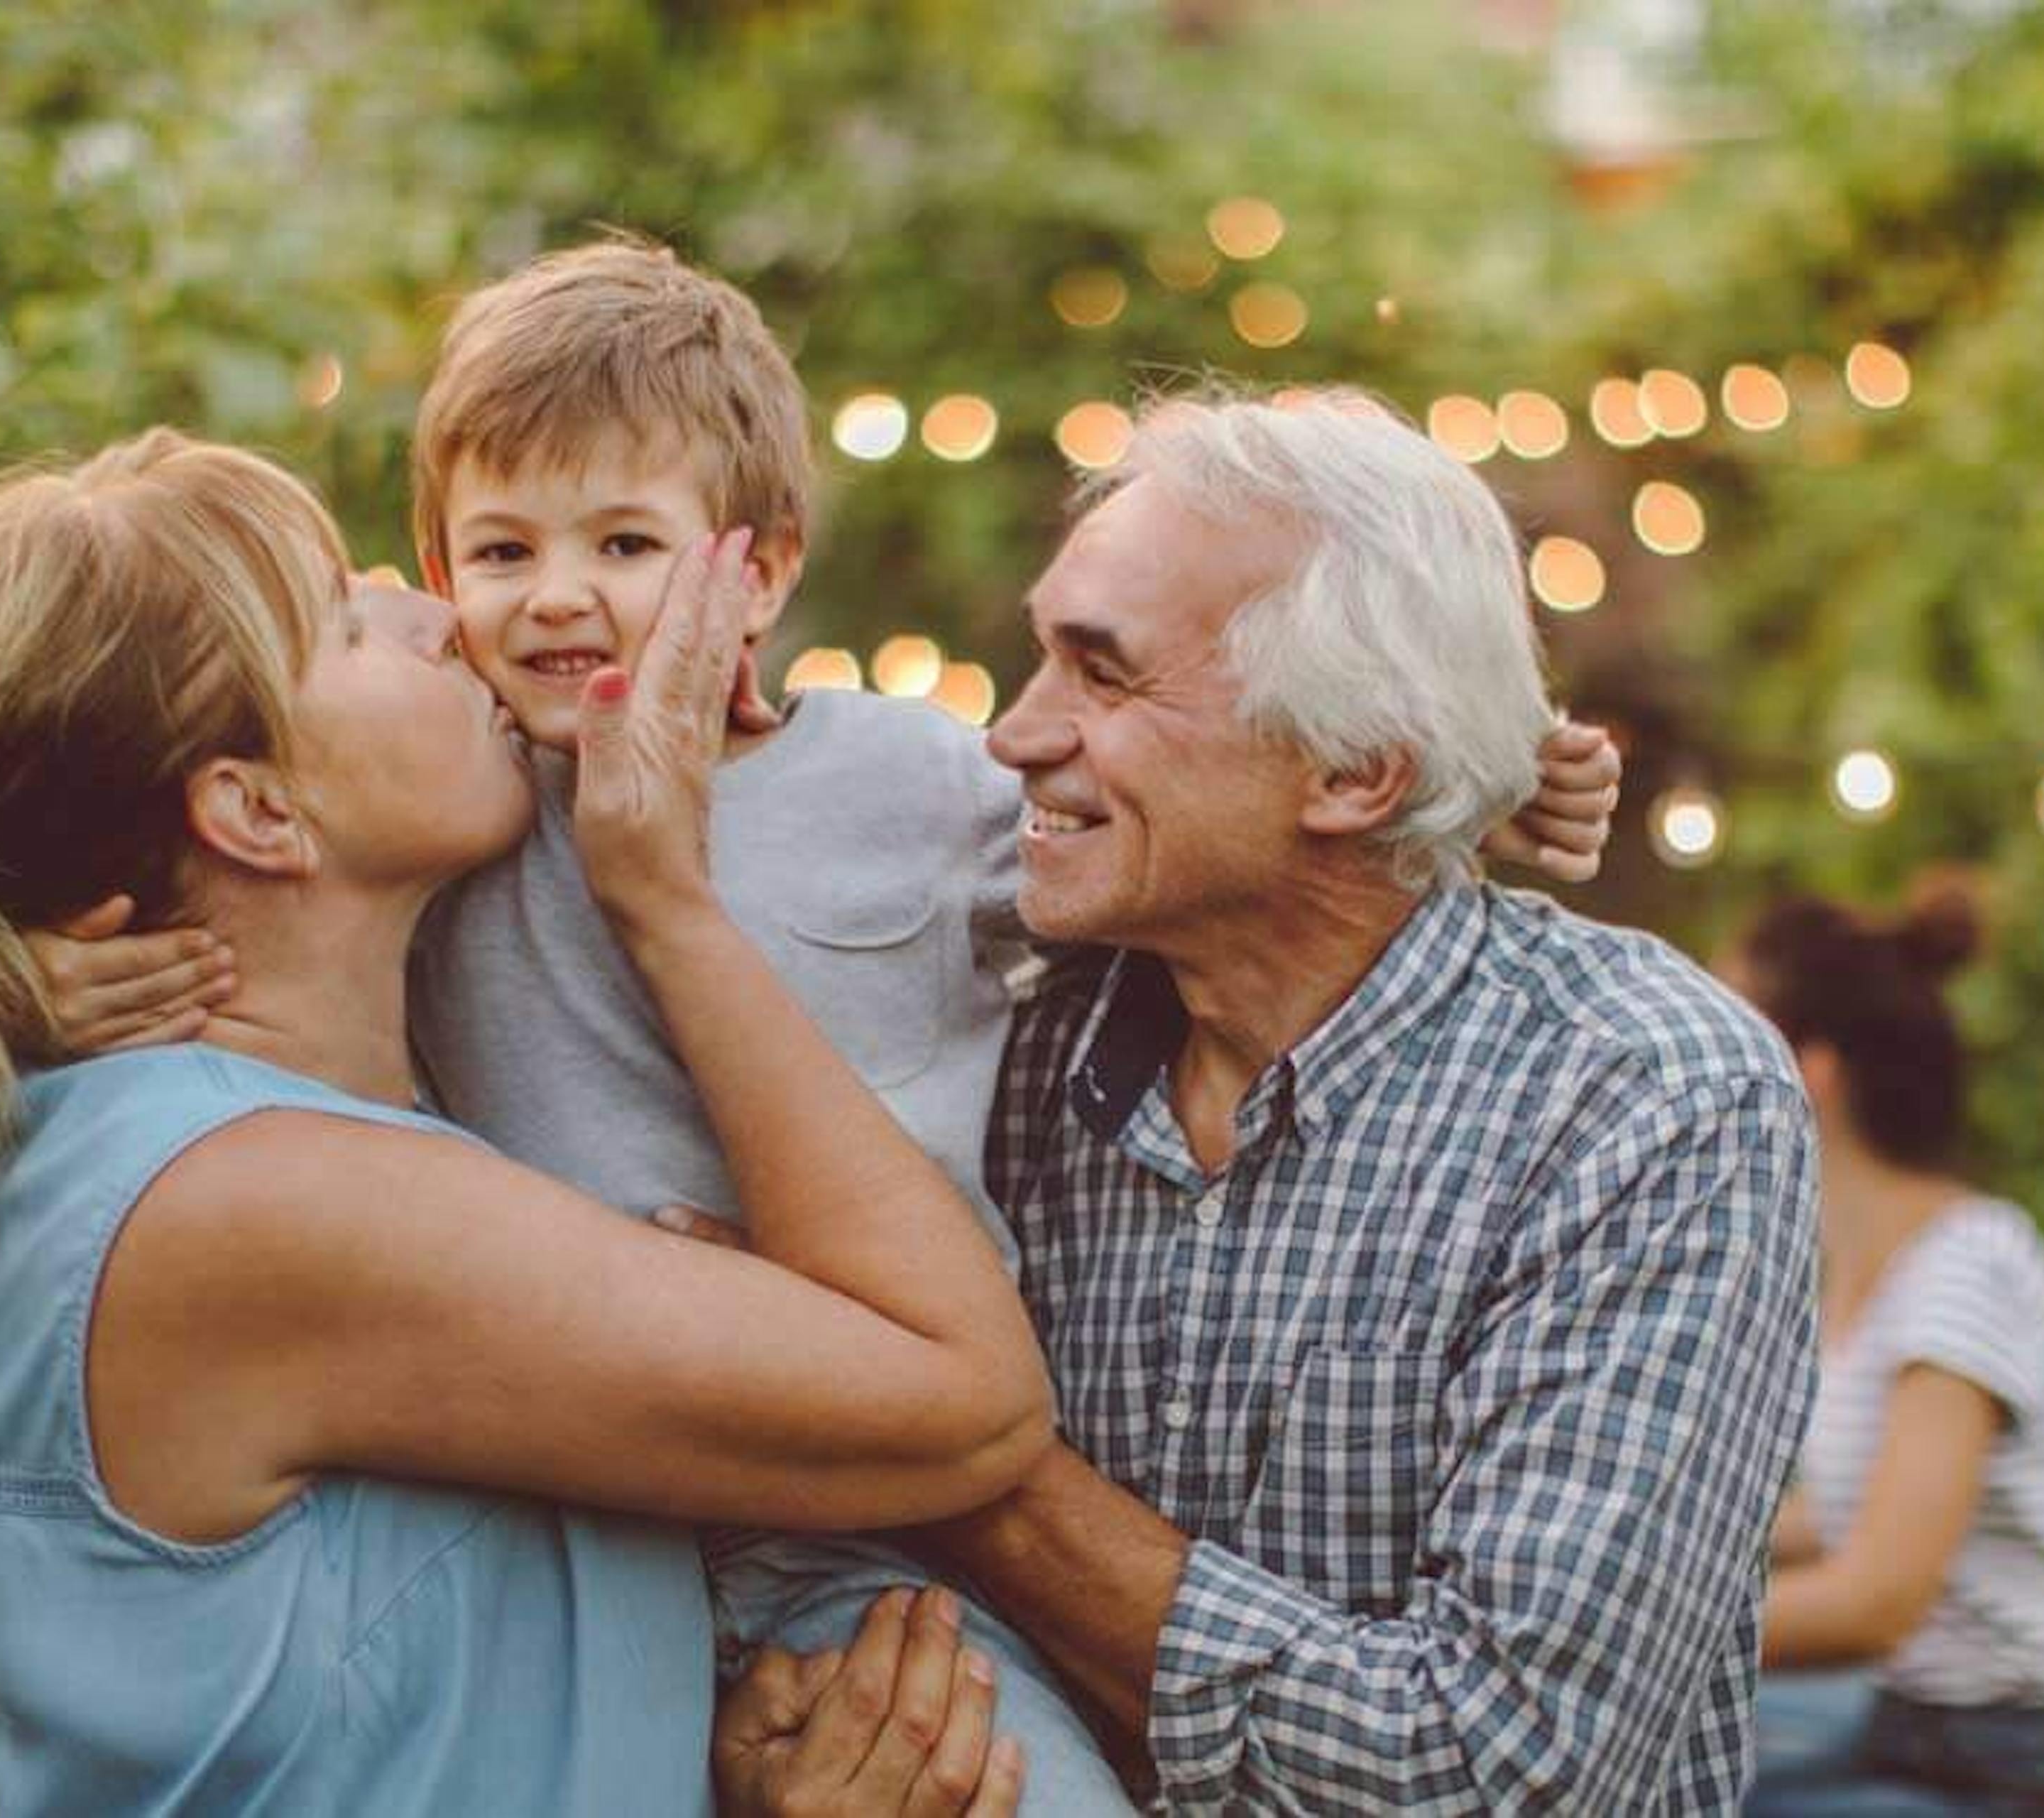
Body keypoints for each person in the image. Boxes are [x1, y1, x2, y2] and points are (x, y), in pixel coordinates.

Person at [29, 239, 1624, 1817]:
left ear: (762, 570)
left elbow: (1181, 835)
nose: (555, 597)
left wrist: (1480, 766)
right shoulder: (469, 810)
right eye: (499, 555)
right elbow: (111, 884)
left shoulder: (899, 786)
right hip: (596, 1478)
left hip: (863, 1535)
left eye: (625, 543)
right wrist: (14, 984)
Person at [0, 431, 1047, 1814]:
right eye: (342, 616)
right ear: (258, 810)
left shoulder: (189, 1144)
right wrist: (663, 902)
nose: (437, 613)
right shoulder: (241, 1201)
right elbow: (963, 1399)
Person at [720, 388, 1823, 1814]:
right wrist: (784, 1735)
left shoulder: (1646, 1102)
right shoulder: (995, 1038)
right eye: (1040, 653)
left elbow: (1492, 1777)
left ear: (1358, 771)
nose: (1013, 735)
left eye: (1102, 676)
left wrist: (920, 1431)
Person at [1728, 885, 2044, 1816]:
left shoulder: (1963, 1270)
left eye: (1721, 1026)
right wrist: (1648, 1549)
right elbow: (1849, 1508)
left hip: (2042, 1764)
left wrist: (1624, 1629)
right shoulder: (1864, 1267)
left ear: (1810, 1070)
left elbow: (1877, 1599)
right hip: (1928, 1727)